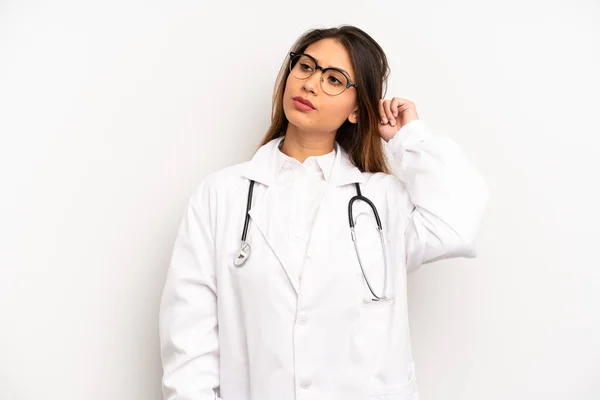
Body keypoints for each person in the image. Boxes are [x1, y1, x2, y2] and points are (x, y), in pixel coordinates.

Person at [158, 25, 489, 400]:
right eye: (306, 67)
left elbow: (457, 226)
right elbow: (189, 344)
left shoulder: (382, 201)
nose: (311, 84)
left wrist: (409, 138)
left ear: (356, 110)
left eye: (334, 79)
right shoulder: (221, 195)